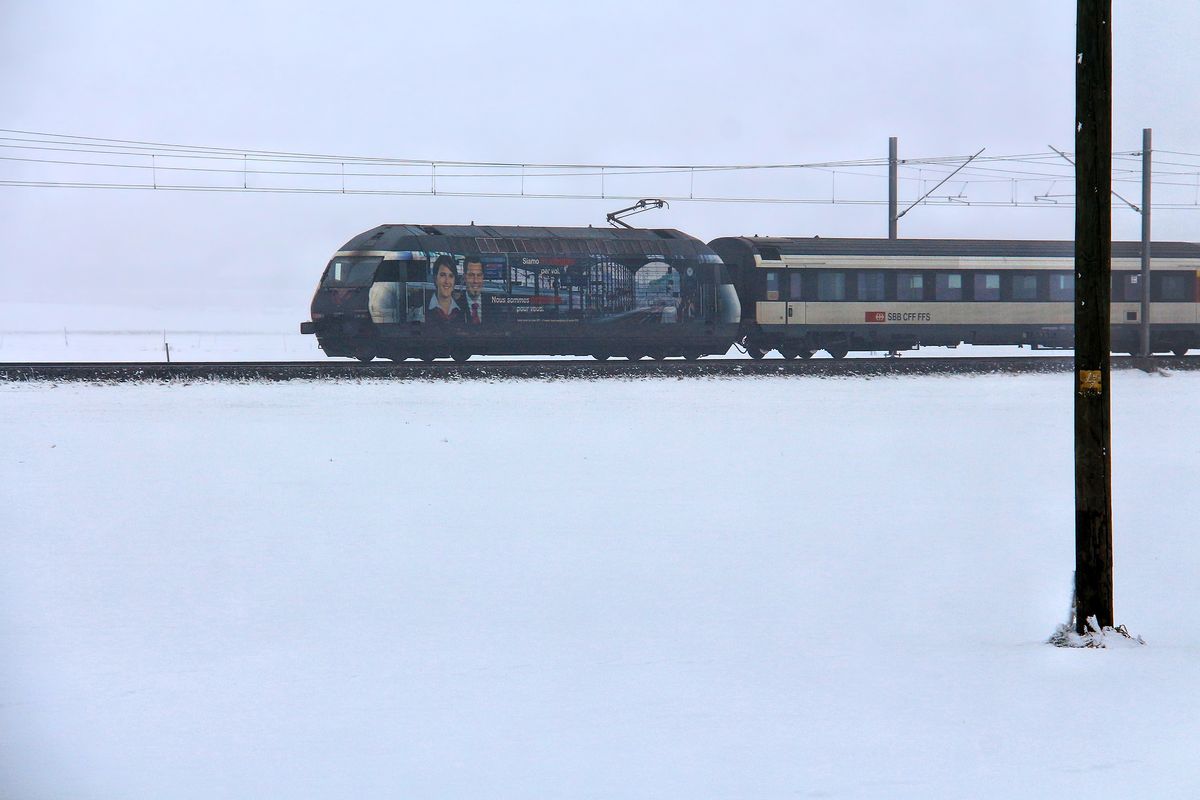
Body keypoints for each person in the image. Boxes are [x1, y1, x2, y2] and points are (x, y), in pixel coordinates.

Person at [426, 255, 464, 325]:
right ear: (435, 278)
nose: (447, 281)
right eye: (442, 275)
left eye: (451, 276)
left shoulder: (463, 311)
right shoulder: (423, 308)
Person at [463, 257, 487, 324]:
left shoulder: (493, 306)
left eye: (479, 275)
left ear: (483, 277)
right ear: (464, 278)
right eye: (471, 275)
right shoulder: (455, 305)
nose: (475, 281)